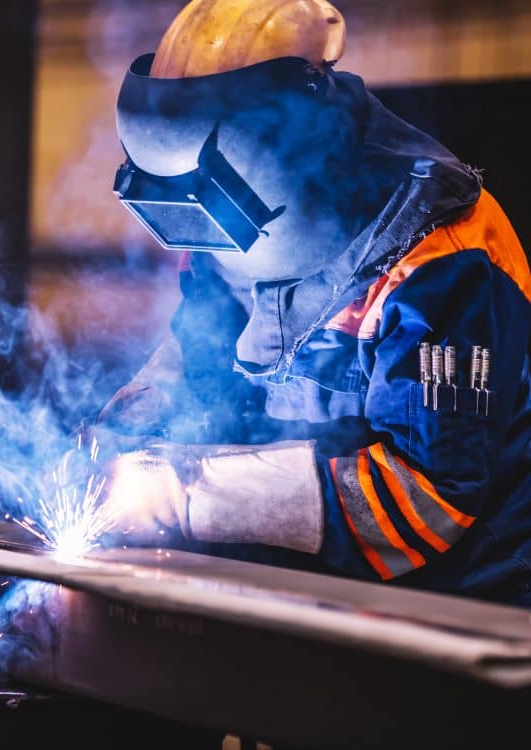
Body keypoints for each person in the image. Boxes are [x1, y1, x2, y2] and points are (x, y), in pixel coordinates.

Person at [98, 0, 531, 606]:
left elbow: (430, 500)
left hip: (460, 609)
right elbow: (201, 353)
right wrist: (140, 416)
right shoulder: (223, 217)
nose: (212, 250)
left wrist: (185, 492)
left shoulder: (439, 256)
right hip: (309, 595)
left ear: (298, 145)